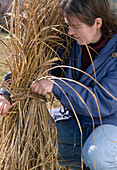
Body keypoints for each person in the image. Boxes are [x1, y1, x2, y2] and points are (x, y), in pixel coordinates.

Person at [0, 0, 117, 169]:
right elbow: (33, 68)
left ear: (97, 23)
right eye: (68, 25)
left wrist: (58, 85)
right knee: (34, 136)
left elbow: (103, 102)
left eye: (76, 27)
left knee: (100, 156)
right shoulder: (70, 43)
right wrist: (5, 93)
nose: (70, 32)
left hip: (109, 127)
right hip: (77, 123)